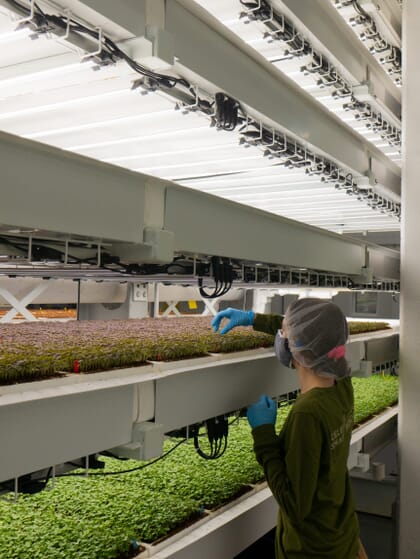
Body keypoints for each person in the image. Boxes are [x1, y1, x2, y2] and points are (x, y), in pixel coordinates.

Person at [212, 300, 367, 559]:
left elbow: (295, 505)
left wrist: (263, 434)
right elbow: (312, 334)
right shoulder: (341, 385)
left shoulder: (307, 413)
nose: (280, 337)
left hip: (310, 550)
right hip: (341, 534)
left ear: (292, 348)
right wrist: (253, 319)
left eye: (283, 333)